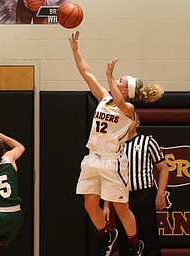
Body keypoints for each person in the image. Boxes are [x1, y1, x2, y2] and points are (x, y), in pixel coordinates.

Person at [69, 31, 164, 256]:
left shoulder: (128, 110)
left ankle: (134, 243)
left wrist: (109, 75)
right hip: (92, 157)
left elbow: (120, 102)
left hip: (113, 161)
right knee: (89, 206)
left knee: (122, 210)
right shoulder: (104, 98)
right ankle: (107, 235)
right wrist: (75, 51)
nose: (116, 79)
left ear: (125, 90)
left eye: (120, 81)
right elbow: (87, 73)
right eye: (117, 79)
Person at [104, 112, 169, 256]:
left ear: (137, 123)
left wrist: (160, 194)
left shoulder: (148, 141)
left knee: (149, 236)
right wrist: (106, 205)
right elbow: (110, 177)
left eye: (130, 119)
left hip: (144, 195)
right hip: (122, 198)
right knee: (125, 239)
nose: (127, 122)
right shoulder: (115, 145)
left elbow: (164, 169)